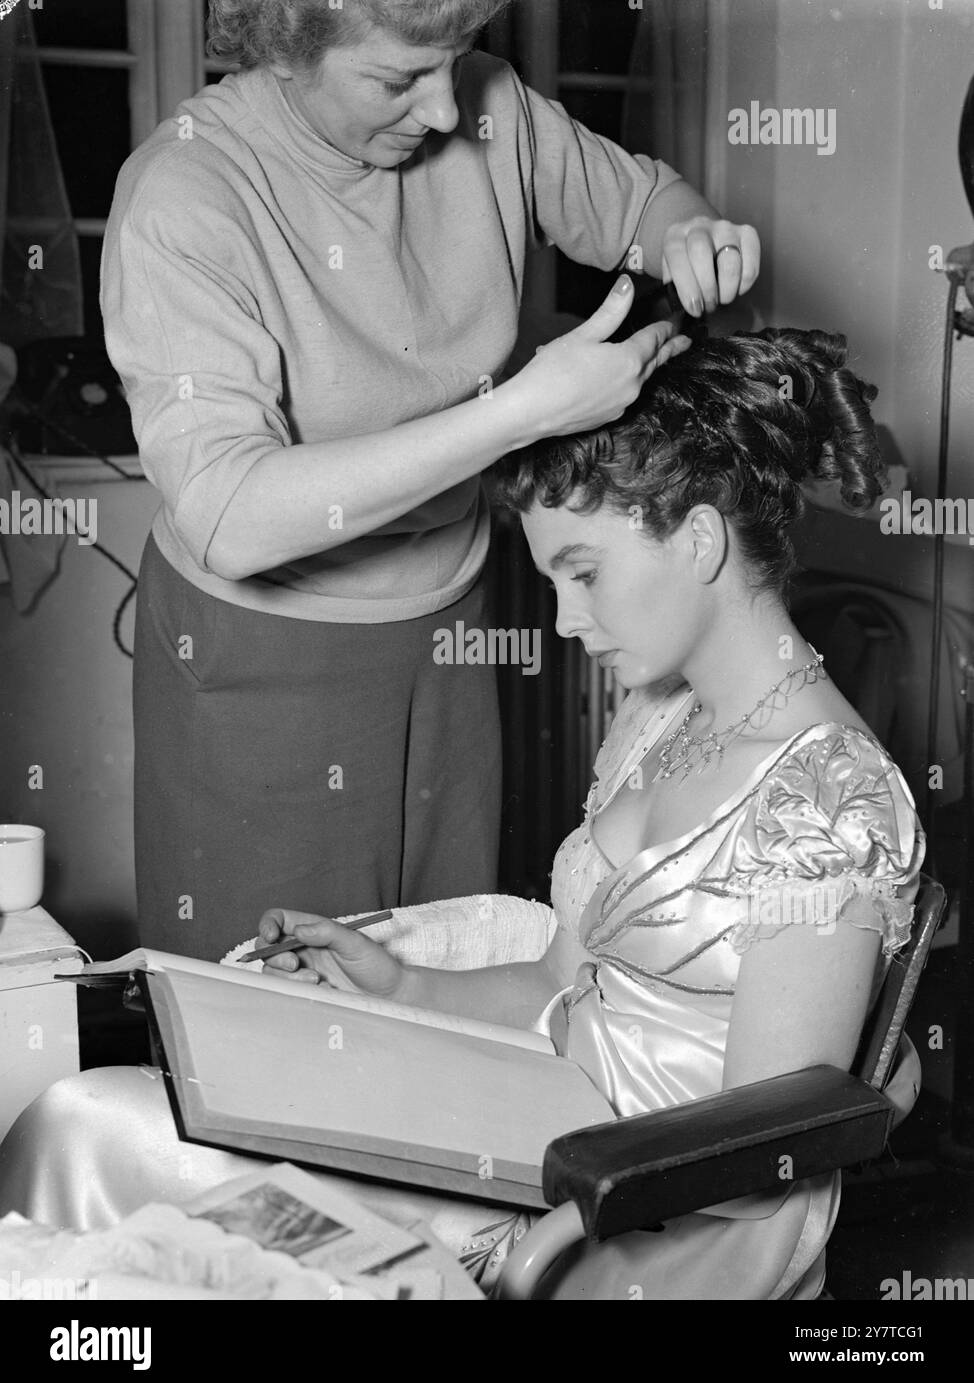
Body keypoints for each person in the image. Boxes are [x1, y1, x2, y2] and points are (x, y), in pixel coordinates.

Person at [0, 326, 921, 1300]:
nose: (566, 620)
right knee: (102, 1110)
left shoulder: (828, 800)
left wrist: (555, 1204)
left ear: (698, 540)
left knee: (93, 1131)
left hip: (624, 1205)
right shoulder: (659, 721)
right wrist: (398, 985)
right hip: (518, 1110)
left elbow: (759, 1151)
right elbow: (563, 988)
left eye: (584, 570)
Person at [104, 0, 759, 961]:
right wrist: (522, 411)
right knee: (272, 1014)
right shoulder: (185, 192)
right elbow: (227, 513)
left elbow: (645, 204)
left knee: (440, 972)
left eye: (455, 62)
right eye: (398, 79)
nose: (449, 112)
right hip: (262, 650)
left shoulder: (491, 105)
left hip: (452, 623)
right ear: (286, 51)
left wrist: (690, 231)